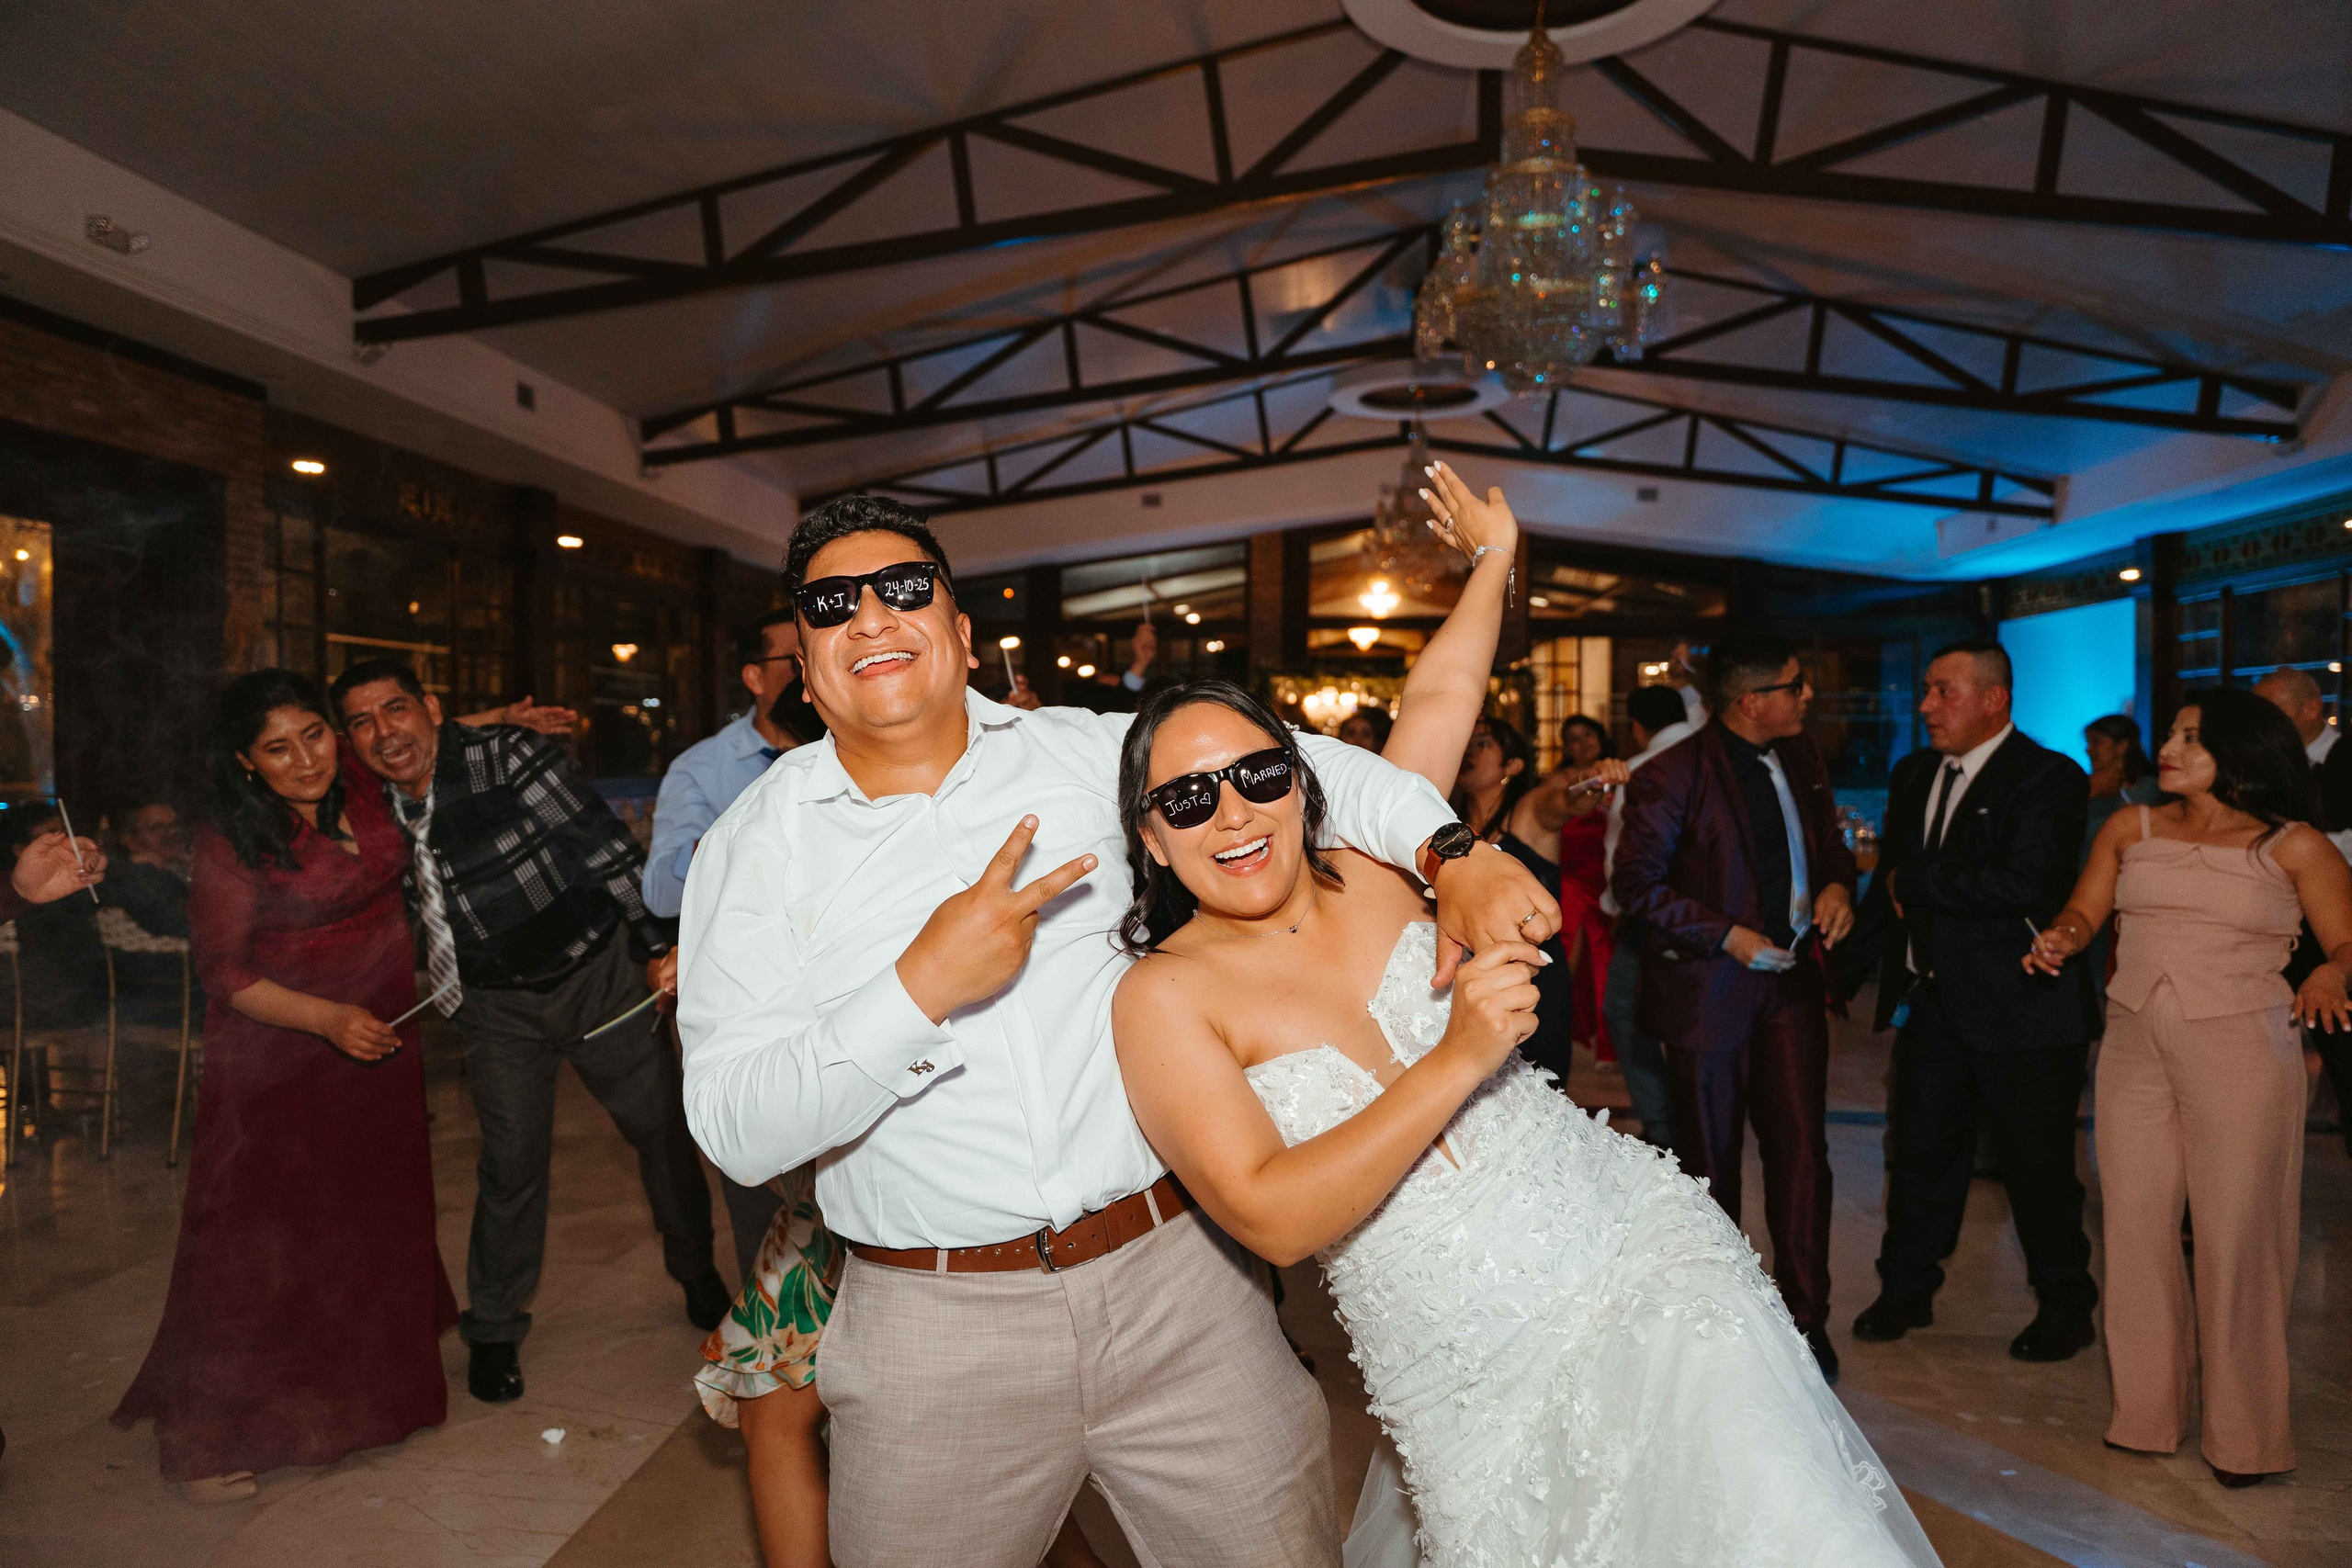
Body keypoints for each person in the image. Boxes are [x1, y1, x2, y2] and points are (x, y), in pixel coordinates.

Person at [677, 493, 1554, 1566]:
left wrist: (1453, 853)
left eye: (905, 590)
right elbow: (733, 1128)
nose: (871, 616)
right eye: (832, 605)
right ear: (804, 667)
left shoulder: (1091, 755)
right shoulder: (751, 850)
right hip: (932, 1324)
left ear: (960, 634)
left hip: (1178, 1285)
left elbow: (1317, 772)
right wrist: (916, 990)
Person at [1105, 671, 1937, 1565]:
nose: (1230, 813)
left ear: (1302, 783)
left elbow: (1438, 705)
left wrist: (1494, 554)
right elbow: (1271, 1219)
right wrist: (1457, 1055)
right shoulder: (1163, 996)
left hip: (1636, 1251)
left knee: (1767, 1519)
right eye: (1187, 798)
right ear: (1150, 838)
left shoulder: (1388, 869)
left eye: (1258, 775)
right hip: (1457, 1359)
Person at [332, 658, 725, 1408]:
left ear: (432, 707)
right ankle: (495, 1329)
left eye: (397, 709)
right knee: (510, 1164)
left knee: (660, 1131)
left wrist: (653, 949)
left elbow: (606, 848)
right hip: (490, 1005)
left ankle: (696, 1267)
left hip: (594, 973)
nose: (385, 732)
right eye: (363, 721)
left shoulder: (507, 757)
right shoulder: (366, 803)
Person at [112, 670, 458, 1503]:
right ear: (245, 762)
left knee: (369, 1219)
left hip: (379, 1042)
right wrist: (328, 1021)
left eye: (316, 733)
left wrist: (490, 717)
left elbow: (406, 736)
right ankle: (207, 1439)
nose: (306, 758)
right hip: (281, 1057)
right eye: (279, 747)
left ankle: (367, 1406)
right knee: (263, 1244)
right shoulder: (231, 838)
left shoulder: (364, 787)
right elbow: (223, 972)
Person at [2027, 687, 2352, 1487]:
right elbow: (2082, 910)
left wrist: (2326, 973)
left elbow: (2347, 942)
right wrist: (2063, 938)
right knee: (2134, 1227)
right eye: (2171, 733)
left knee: (2238, 1239)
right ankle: (2145, 1414)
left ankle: (2245, 1439)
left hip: (2242, 1045)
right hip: (2135, 1046)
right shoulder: (2129, 827)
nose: (2168, 747)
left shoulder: (2296, 845)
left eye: (2190, 738)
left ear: (2241, 753)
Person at [1610, 630, 1859, 1379]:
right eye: (1794, 684)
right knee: (1711, 1160)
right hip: (1707, 990)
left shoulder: (1805, 756)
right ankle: (1724, 1313)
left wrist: (1839, 883)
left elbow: (1827, 843)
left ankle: (1807, 1320)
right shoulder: (1671, 774)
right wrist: (1726, 935)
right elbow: (1637, 887)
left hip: (1790, 985)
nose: (1806, 696)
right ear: (1753, 702)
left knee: (1802, 1153)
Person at [1848, 640, 2099, 1363]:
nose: (1925, 706)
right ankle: (1904, 1291)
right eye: (1927, 689)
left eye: (1942, 691)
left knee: (2038, 1168)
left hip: (2024, 1008)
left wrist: (1913, 882)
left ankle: (2064, 1305)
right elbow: (1888, 886)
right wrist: (1841, 970)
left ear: (1994, 699)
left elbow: (2021, 881)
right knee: (1920, 1156)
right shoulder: (1914, 772)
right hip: (1932, 1005)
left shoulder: (2050, 777)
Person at [645, 606, 820, 1278]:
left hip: (835, 995)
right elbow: (661, 890)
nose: (810, 668)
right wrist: (748, 851)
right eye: (791, 659)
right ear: (755, 676)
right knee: (760, 1188)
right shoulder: (705, 768)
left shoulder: (853, 741)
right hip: (747, 1004)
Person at [2253, 667, 2352, 1156]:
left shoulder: (2347, 761)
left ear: (2311, 710)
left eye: (2273, 710)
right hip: (2271, 944)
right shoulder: (2257, 774)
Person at [1600, 682, 1702, 1148]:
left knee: (1626, 1014)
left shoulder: (1641, 772)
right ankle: (1701, 1120)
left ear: (1637, 728)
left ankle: (1663, 1124)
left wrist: (1616, 910)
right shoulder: (1712, 758)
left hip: (1650, 916)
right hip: (1717, 918)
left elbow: (1621, 857)